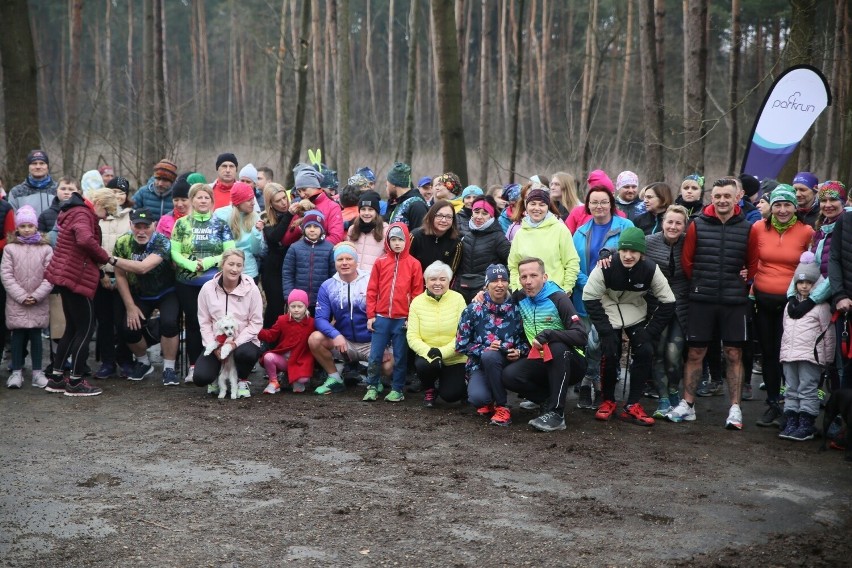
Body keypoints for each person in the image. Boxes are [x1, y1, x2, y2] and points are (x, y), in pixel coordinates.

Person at [665, 178, 755, 429]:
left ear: (737, 197)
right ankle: (688, 405)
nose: (722, 200)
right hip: (702, 299)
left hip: (734, 300)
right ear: (712, 198)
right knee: (695, 353)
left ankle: (735, 408)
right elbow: (687, 261)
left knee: (733, 353)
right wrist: (702, 283)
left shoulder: (748, 227)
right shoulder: (697, 225)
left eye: (727, 195)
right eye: (717, 196)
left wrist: (742, 283)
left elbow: (753, 263)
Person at [584, 227, 675, 426]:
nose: (628, 255)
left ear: (642, 253)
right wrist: (605, 331)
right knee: (610, 351)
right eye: (624, 250)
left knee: (645, 350)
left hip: (635, 311)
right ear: (619, 250)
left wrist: (650, 332)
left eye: (633, 251)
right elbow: (589, 298)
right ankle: (607, 400)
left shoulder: (650, 268)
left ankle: (633, 403)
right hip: (608, 309)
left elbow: (668, 301)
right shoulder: (606, 266)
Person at [750, 185, 815, 427]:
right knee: (768, 353)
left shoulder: (807, 231)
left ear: (795, 207)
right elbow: (751, 260)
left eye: (787, 204)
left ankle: (792, 406)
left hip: (793, 304)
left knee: (788, 355)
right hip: (763, 299)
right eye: (777, 204)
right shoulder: (758, 228)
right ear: (771, 207)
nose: (782, 209)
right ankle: (773, 403)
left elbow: (812, 268)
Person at [43, 188, 118, 397]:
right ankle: (76, 381)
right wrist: (107, 258)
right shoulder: (84, 213)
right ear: (102, 204)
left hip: (66, 275)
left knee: (72, 328)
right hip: (75, 276)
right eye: (108, 212)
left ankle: (57, 378)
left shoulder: (75, 210)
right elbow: (84, 239)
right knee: (86, 328)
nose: (106, 217)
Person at [500, 257, 588, 432]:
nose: (528, 281)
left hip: (571, 361)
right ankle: (547, 400)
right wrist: (482, 295)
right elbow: (498, 309)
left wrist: (550, 334)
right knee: (509, 375)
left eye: (533, 275)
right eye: (524, 277)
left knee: (555, 346)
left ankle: (557, 415)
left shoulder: (558, 298)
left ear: (545, 277)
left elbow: (581, 335)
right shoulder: (519, 298)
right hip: (540, 359)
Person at [571, 185, 635, 410]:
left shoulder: (626, 227)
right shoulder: (580, 232)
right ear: (587, 205)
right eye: (594, 202)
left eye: (604, 201)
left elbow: (633, 256)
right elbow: (573, 264)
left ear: (611, 203)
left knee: (598, 343)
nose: (599, 206)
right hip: (584, 296)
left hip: (612, 297)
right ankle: (594, 384)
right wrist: (588, 284)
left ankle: (590, 381)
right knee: (587, 342)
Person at [171, 183, 235, 383]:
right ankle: (193, 366)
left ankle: (219, 365)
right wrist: (190, 265)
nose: (203, 201)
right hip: (187, 282)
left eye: (206, 197)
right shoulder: (181, 224)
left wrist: (208, 262)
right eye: (199, 197)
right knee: (193, 322)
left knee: (215, 322)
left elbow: (229, 250)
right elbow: (174, 251)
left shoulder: (221, 224)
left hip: (214, 282)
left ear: (212, 201)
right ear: (192, 200)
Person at [309, 244, 394, 394]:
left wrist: (384, 342)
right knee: (314, 339)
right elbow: (320, 319)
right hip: (344, 342)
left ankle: (375, 378)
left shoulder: (371, 280)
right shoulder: (328, 286)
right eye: (340, 259)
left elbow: (386, 311)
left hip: (371, 341)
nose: (344, 263)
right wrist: (336, 335)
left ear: (356, 261)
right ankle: (334, 378)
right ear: (335, 263)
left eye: (349, 259)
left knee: (389, 367)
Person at [111, 208, 180, 385]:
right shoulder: (123, 243)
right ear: (130, 225)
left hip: (166, 291)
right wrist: (130, 306)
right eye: (137, 226)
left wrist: (111, 259)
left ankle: (169, 368)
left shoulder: (162, 242)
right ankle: (143, 362)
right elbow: (120, 275)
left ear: (154, 226)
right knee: (128, 328)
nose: (141, 231)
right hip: (140, 293)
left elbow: (143, 267)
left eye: (146, 226)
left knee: (169, 323)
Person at [456, 264, 529, 426]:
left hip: (510, 363)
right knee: (478, 398)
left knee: (495, 358)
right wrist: (484, 349)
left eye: (504, 280)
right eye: (495, 280)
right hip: (481, 364)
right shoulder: (473, 309)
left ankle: (503, 407)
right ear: (486, 284)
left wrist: (519, 351)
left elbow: (527, 341)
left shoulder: (518, 309)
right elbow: (461, 345)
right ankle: (490, 400)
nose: (500, 284)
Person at [364, 225, 424, 402]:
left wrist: (410, 318)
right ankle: (372, 386)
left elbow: (417, 293)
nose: (397, 243)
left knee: (400, 356)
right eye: (393, 240)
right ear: (388, 241)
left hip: (401, 319)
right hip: (381, 317)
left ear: (406, 240)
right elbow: (372, 290)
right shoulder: (380, 262)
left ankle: (397, 389)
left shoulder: (414, 264)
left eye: (400, 239)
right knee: (375, 355)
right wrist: (371, 315)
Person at [779, 252, 835, 441]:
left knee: (808, 389)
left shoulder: (821, 307)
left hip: (810, 356)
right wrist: (783, 353)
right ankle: (792, 420)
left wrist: (827, 359)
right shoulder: (789, 306)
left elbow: (828, 334)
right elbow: (785, 331)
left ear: (816, 285)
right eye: (800, 282)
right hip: (789, 355)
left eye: (809, 283)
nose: (804, 286)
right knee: (790, 388)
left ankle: (806, 423)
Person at [194, 249, 263, 398]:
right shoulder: (207, 289)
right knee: (200, 378)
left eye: (239, 265)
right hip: (216, 342)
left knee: (246, 353)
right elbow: (204, 322)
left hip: (242, 342)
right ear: (222, 264)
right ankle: (215, 377)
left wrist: (235, 343)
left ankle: (242, 380)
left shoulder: (252, 289)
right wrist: (213, 347)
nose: (235, 269)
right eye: (231, 264)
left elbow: (256, 323)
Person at [643, 206, 690, 416]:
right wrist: (606, 254)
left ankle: (673, 391)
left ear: (684, 225)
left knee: (674, 354)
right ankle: (663, 398)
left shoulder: (690, 242)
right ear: (663, 223)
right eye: (669, 222)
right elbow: (625, 250)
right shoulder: (649, 241)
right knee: (658, 352)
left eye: (678, 223)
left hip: (681, 305)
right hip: (656, 305)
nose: (673, 226)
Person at [1, 206, 53, 389]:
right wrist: (22, 296)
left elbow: (50, 275)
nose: (27, 229)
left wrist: (37, 295)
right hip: (17, 301)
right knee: (18, 335)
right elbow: (6, 276)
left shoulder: (46, 249)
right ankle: (16, 372)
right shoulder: (10, 249)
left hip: (39, 300)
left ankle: (38, 373)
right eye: (22, 226)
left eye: (30, 225)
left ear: (36, 227)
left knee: (36, 335)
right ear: (17, 228)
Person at [407, 261, 468, 407]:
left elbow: (464, 334)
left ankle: (459, 384)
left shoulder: (458, 299)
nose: (437, 283)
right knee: (423, 365)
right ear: (426, 282)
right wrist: (428, 352)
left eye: (442, 279)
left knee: (450, 396)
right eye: (433, 279)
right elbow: (412, 336)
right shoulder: (417, 302)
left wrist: (441, 352)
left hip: (455, 356)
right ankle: (429, 388)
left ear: (449, 281)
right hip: (429, 355)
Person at [93, 176, 134, 379]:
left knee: (122, 320)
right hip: (101, 276)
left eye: (122, 192)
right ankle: (107, 362)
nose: (118, 196)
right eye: (114, 192)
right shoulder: (98, 216)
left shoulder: (131, 216)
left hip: (124, 278)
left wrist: (121, 277)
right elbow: (94, 247)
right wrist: (102, 274)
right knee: (105, 321)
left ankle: (125, 359)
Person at [508, 187, 580, 294]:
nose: (537, 208)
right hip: (525, 296)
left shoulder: (560, 229)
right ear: (526, 206)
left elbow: (571, 262)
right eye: (533, 204)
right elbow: (513, 266)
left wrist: (566, 289)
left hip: (553, 295)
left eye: (542, 205)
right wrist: (516, 288)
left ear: (548, 207)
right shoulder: (520, 234)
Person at [259, 183, 306, 327]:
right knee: (275, 308)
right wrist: (288, 215)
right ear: (270, 204)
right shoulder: (265, 218)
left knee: (295, 306)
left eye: (284, 198)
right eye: (278, 201)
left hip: (293, 266)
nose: (284, 203)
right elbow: (275, 237)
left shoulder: (297, 211)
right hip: (273, 270)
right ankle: (267, 339)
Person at [453, 195, 511, 303]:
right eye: (476, 211)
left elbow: (511, 264)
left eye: (484, 213)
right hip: (462, 293)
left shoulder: (498, 238)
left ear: (491, 216)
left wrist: (492, 285)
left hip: (485, 296)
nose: (479, 217)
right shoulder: (466, 237)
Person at [258, 289, 315, 394]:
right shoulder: (282, 320)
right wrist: (257, 331)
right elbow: (271, 335)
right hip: (284, 358)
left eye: (300, 306)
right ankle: (274, 381)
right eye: (293, 307)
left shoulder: (312, 323)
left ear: (306, 307)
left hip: (300, 360)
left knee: (302, 382)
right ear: (288, 307)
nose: (296, 310)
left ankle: (291, 378)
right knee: (268, 357)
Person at [282, 210, 335, 311]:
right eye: (308, 226)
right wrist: (289, 296)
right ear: (303, 228)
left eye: (316, 227)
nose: (312, 230)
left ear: (322, 229)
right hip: (298, 302)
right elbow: (287, 274)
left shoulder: (330, 249)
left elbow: (333, 275)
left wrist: (330, 297)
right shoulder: (295, 248)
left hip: (322, 301)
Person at [214, 182, 264, 281]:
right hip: (226, 271)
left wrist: (257, 232)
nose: (253, 202)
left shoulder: (255, 217)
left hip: (249, 271)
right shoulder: (220, 215)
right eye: (249, 200)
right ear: (238, 202)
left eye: (253, 198)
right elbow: (215, 246)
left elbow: (256, 250)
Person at [293, 163, 345, 244]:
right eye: (299, 191)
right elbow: (286, 240)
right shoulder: (300, 205)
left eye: (304, 189)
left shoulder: (332, 207)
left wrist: (311, 247)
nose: (302, 195)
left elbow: (336, 237)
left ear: (315, 186)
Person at [409, 200, 462, 276]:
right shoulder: (415, 236)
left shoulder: (456, 244)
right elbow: (405, 265)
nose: (444, 220)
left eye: (448, 217)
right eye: (439, 216)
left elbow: (451, 274)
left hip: (440, 286)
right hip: (415, 283)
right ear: (431, 216)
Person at [346, 190, 387, 275]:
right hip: (355, 278)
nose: (366, 213)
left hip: (374, 279)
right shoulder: (352, 229)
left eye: (370, 209)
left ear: (376, 212)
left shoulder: (385, 231)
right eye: (363, 209)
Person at [9, 149, 58, 217]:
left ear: (47, 166)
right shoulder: (16, 192)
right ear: (28, 167)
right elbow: (12, 221)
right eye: (34, 163)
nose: (38, 167)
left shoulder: (59, 189)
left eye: (42, 163)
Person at [387, 162, 427, 230]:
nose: (387, 188)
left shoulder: (417, 205)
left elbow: (421, 236)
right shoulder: (399, 202)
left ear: (393, 184)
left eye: (387, 184)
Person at [155, 173, 191, 238]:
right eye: (176, 200)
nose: (179, 204)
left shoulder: (197, 220)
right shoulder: (164, 220)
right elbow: (158, 244)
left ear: (191, 200)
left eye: (183, 200)